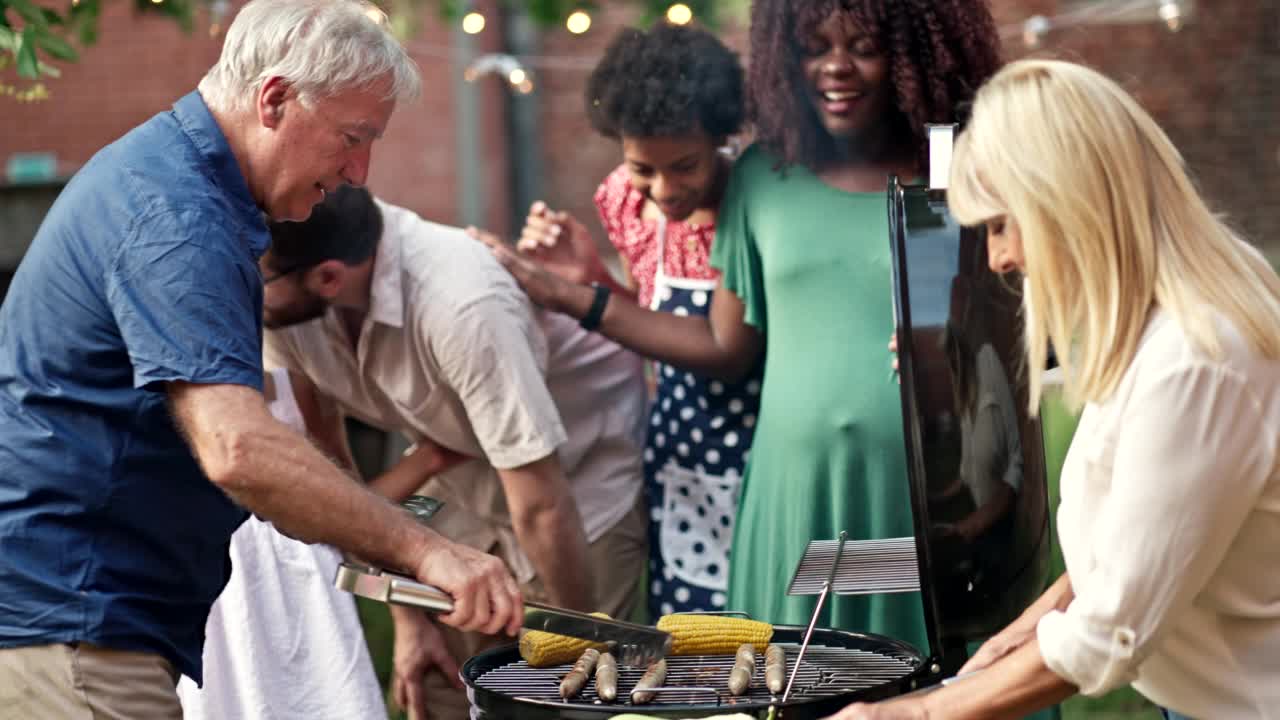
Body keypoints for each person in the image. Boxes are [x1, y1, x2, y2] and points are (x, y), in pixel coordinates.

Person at [0, 2, 522, 718]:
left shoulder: (177, 185)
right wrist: (429, 551)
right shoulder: (179, 217)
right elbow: (238, 448)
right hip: (75, 627)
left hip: (83, 622)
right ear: (273, 98)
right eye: (352, 137)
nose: (359, 170)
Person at [478, 0, 1001, 645]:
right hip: (798, 497)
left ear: (916, 49)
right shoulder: (765, 176)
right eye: (813, 47)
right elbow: (724, 346)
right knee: (797, 676)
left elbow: (1039, 329)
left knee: (947, 669)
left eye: (863, 45)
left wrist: (965, 343)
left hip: (936, 491)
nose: (836, 67)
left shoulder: (967, 175)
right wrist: (565, 292)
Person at [828, 59, 1280, 720]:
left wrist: (902, 714)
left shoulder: (1196, 361)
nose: (999, 259)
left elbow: (1108, 638)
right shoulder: (1161, 324)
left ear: (1068, 202)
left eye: (1002, 225)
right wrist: (1013, 641)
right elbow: (1143, 540)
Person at [261, 185, 648, 720]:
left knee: (566, 700)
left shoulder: (462, 303)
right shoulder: (285, 302)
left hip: (573, 489)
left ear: (328, 277)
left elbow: (542, 503)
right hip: (463, 478)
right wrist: (407, 618)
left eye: (254, 277)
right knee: (444, 689)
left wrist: (575, 647)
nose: (236, 285)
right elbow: (335, 479)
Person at [484, 23, 757, 619]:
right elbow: (650, 325)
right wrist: (591, 277)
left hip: (761, 455)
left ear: (720, 137)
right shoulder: (622, 200)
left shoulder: (753, 202)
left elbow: (724, 347)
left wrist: (568, 294)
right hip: (674, 454)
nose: (664, 190)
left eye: (685, 166)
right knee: (687, 645)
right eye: (642, 168)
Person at [176, 367, 462, 719]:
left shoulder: (296, 389)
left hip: (311, 603)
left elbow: (357, 515)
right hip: (218, 607)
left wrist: (408, 620)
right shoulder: (169, 394)